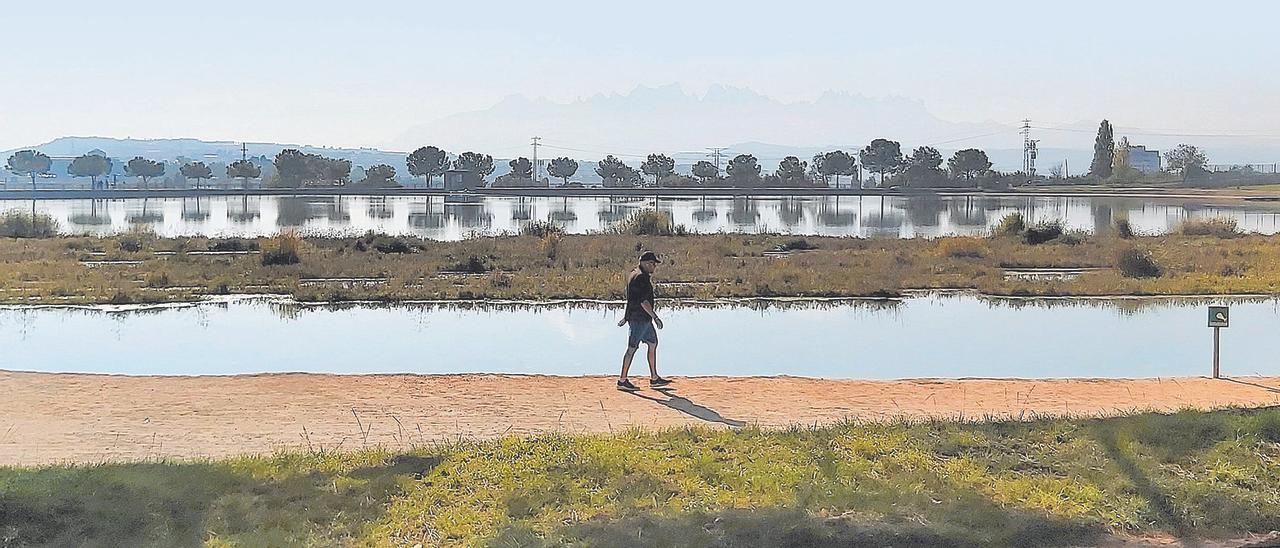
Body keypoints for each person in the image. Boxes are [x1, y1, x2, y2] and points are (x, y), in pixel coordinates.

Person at [617, 251, 670, 391]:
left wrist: (625, 316)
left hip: (643, 319)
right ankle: (622, 381)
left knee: (653, 343)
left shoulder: (635, 273)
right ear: (646, 263)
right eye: (653, 264)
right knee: (632, 348)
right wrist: (655, 317)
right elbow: (642, 301)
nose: (654, 267)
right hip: (639, 319)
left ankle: (654, 378)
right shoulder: (640, 277)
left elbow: (632, 298)